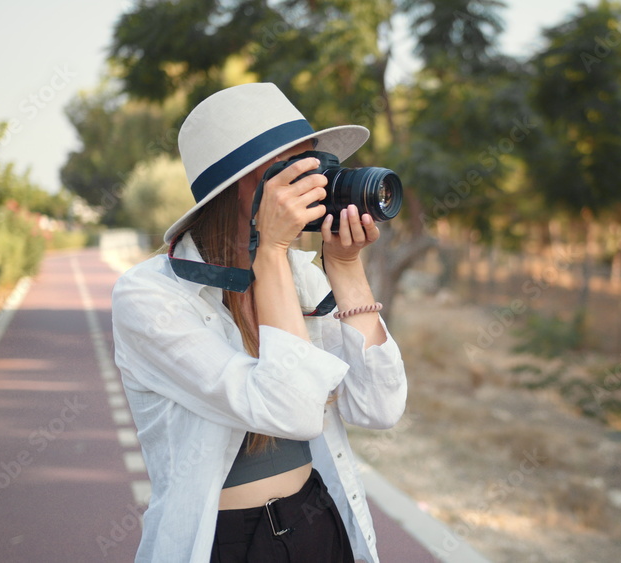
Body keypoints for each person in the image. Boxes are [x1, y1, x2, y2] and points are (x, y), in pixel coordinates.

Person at [111, 83, 408, 563]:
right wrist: (270, 251)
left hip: (318, 521)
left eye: (313, 166)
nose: (311, 184)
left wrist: (346, 266)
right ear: (235, 191)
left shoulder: (295, 274)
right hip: (224, 540)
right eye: (288, 172)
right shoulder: (150, 296)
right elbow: (291, 412)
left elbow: (380, 405)